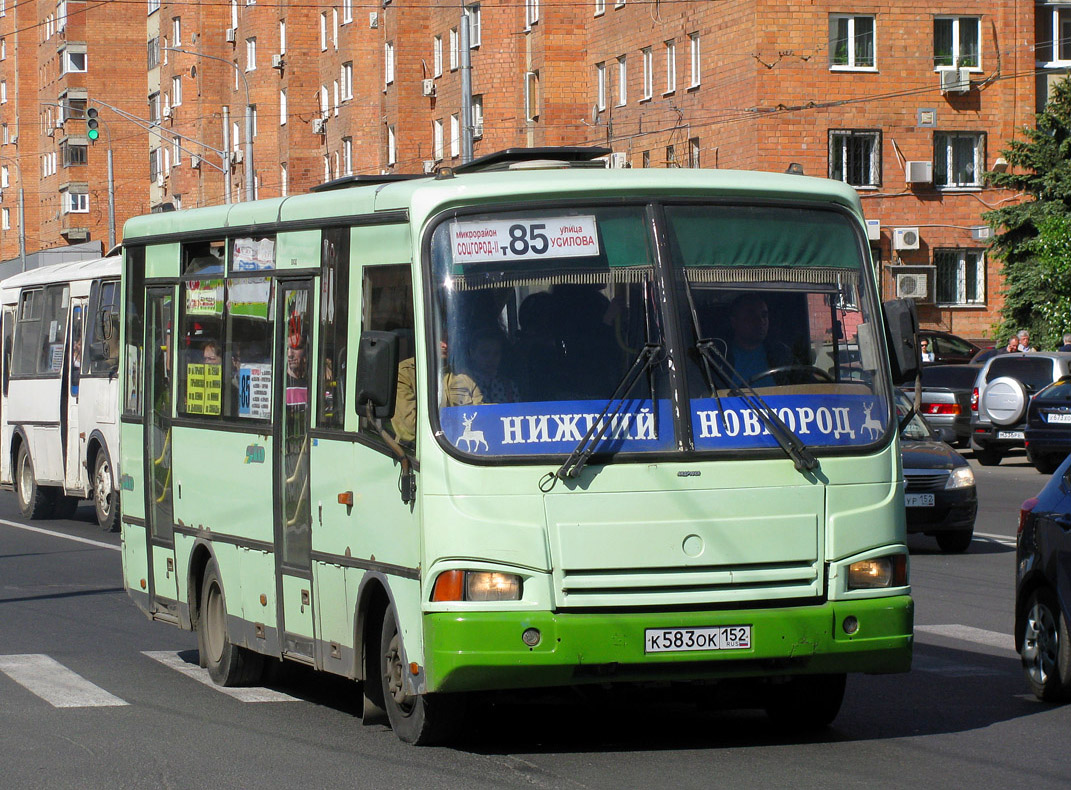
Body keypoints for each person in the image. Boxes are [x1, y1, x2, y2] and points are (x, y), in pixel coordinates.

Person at [391, 327, 482, 444]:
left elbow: (482, 418)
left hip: (463, 453)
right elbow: (409, 430)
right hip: (417, 453)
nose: (445, 345)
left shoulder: (465, 376)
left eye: (448, 339)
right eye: (440, 339)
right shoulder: (405, 373)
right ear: (425, 338)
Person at [723, 293, 794, 387]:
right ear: (734, 322)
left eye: (764, 315)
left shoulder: (781, 353)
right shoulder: (719, 356)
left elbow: (807, 386)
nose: (760, 321)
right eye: (751, 316)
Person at [462, 327, 519, 404]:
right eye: (485, 353)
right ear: (472, 353)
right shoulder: (462, 386)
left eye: (496, 353)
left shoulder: (509, 386)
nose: (491, 359)